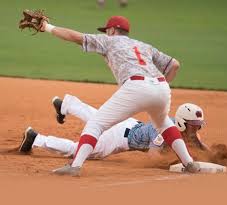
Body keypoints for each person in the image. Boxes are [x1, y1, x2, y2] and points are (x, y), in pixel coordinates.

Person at [33, 15, 199, 176]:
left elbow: (74, 36)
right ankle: (189, 163)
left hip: (136, 86)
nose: (106, 33)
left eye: (107, 30)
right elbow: (174, 64)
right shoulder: (143, 45)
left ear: (112, 30)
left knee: (96, 124)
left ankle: (74, 166)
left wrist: (47, 27)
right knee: (163, 124)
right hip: (161, 87)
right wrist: (157, 88)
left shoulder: (109, 41)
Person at [19, 95, 208, 161]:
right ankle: (36, 139)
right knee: (82, 151)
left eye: (197, 126)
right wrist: (176, 162)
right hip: (118, 138)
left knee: (97, 117)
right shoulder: (164, 130)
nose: (196, 130)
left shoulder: (182, 129)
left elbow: (201, 146)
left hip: (128, 123)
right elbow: (153, 155)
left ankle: (65, 105)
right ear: (183, 122)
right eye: (194, 126)